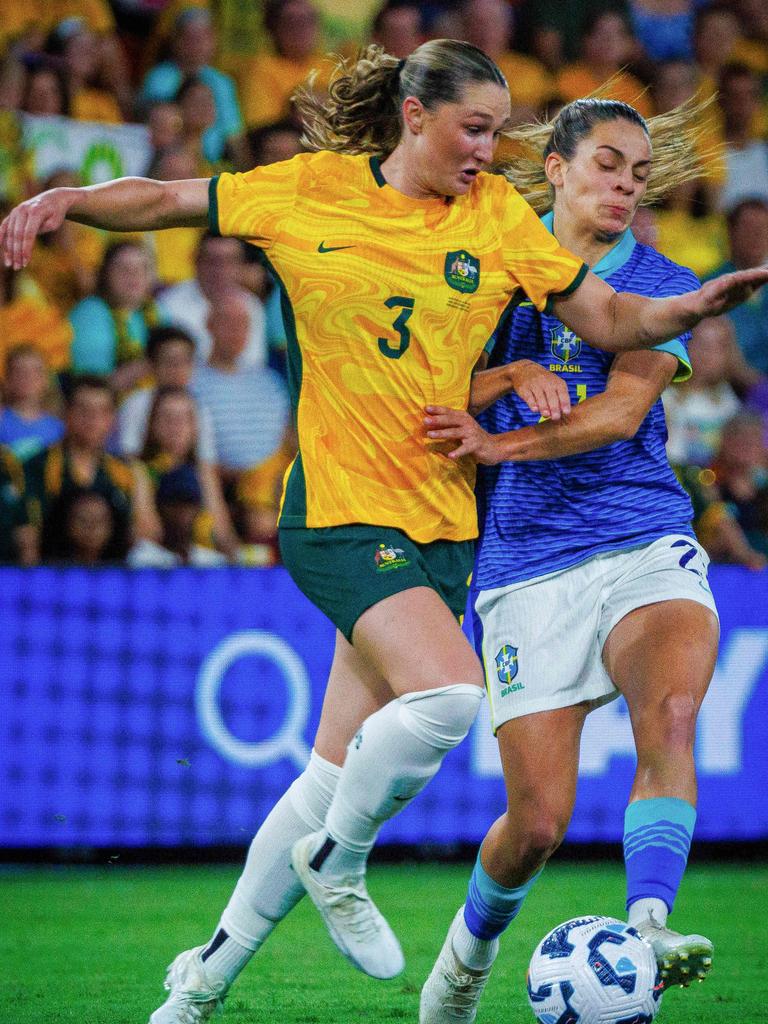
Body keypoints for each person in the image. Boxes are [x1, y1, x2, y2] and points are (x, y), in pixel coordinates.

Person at [1, 40, 766, 1024]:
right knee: (449, 695)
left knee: (327, 772)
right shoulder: (310, 191)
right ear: (415, 116)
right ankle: (343, 859)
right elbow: (164, 201)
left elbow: (609, 319)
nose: (493, 150)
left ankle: (199, 980)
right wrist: (66, 203)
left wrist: (685, 308)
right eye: (476, 129)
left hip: (440, 531)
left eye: (500, 130)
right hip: (338, 511)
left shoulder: (494, 219)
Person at [418, 96, 729, 1023]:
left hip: (643, 540)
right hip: (524, 569)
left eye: (638, 173)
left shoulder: (658, 282)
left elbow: (621, 414)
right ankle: (464, 967)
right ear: (553, 168)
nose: (625, 185)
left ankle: (649, 924)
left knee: (671, 714)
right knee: (537, 825)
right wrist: (510, 378)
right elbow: (423, 389)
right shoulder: (481, 275)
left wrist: (497, 443)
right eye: (606, 163)